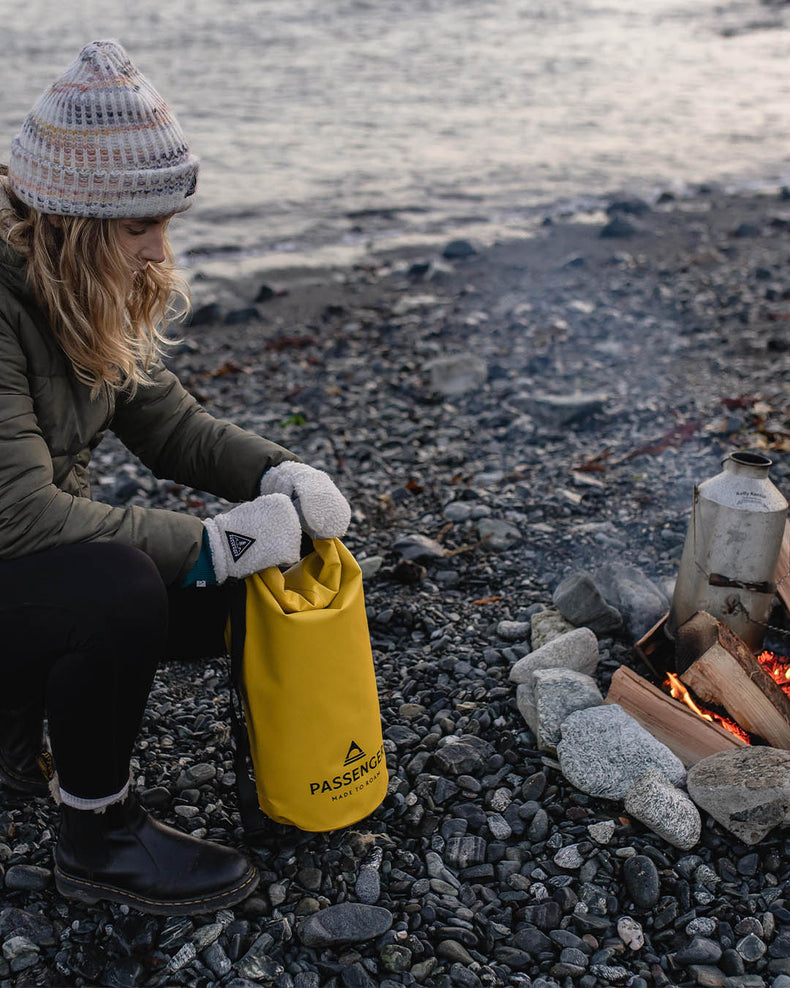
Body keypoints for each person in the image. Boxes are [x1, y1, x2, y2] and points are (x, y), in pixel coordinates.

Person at [0, 40, 351, 916]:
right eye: (138, 228)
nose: (160, 251)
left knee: (244, 586)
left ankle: (279, 771)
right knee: (118, 588)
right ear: (72, 220)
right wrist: (211, 543)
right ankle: (99, 836)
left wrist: (278, 472)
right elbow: (19, 516)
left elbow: (170, 426)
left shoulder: (71, 283)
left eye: (167, 223)